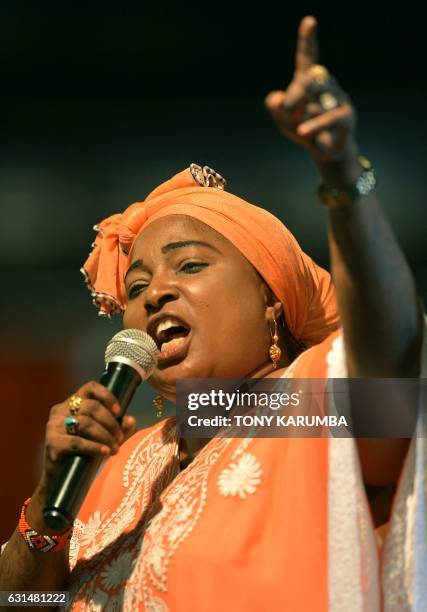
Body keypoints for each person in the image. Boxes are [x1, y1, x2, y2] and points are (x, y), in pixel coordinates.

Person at [0, 15, 425, 611]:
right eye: (137, 285)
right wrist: (50, 499)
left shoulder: (311, 410)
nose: (154, 294)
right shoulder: (116, 464)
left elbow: (395, 343)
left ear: (271, 303)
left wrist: (341, 174)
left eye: (190, 266)